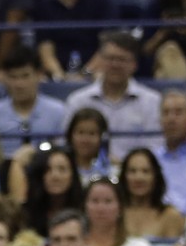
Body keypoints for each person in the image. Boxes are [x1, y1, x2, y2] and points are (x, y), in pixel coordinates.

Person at [64, 34, 162, 164]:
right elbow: (66, 145)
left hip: (135, 176)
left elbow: (156, 147)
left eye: (122, 59)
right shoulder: (78, 101)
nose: (115, 65)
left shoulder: (152, 102)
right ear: (100, 61)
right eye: (110, 59)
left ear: (134, 64)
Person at [0, 47, 70, 156]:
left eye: (25, 76)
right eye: (13, 77)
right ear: (4, 78)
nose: (19, 84)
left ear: (38, 75)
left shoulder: (58, 111)